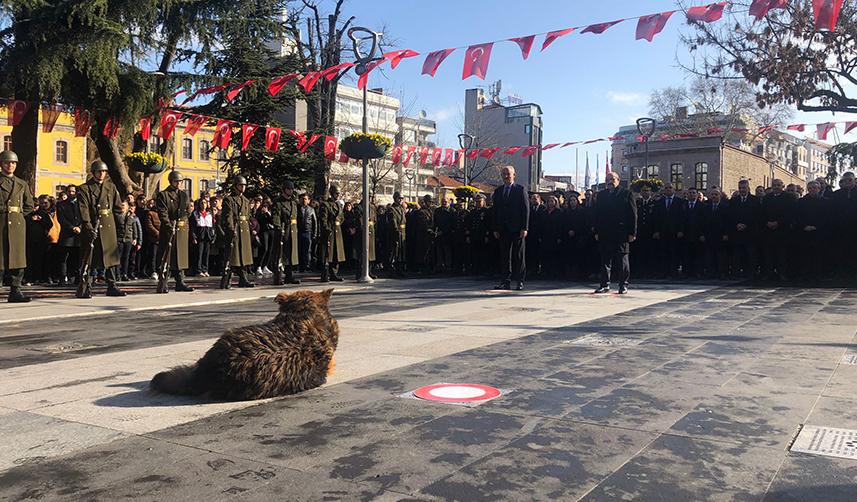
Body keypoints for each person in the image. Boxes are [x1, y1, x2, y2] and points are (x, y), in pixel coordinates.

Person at [76, 160, 125, 298]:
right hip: (93, 225)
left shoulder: (110, 187)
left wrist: (120, 226)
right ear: (93, 173)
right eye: (99, 171)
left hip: (108, 226)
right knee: (89, 259)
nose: (102, 174)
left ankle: (112, 285)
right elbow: (83, 209)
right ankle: (86, 287)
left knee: (111, 259)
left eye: (104, 171)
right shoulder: (84, 189)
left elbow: (117, 208)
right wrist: (88, 226)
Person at [593, 171, 637, 294]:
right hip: (605, 232)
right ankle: (604, 284)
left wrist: (632, 233)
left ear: (618, 180)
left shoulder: (626, 194)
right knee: (605, 260)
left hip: (621, 232)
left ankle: (623, 285)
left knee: (622, 259)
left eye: (612, 179)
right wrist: (596, 230)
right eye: (607, 179)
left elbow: (633, 215)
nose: (609, 182)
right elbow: (597, 214)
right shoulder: (601, 195)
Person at [0, 150, 34, 302]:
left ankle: (15, 290)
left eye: (13, 163)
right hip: (1, 221)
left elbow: (29, 205)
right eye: (7, 162)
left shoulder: (22, 183)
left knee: (18, 259)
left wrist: (19, 216)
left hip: (17, 225)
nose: (10, 165)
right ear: (1, 164)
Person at [155, 170, 194, 293]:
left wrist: (182, 220)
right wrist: (168, 224)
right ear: (171, 181)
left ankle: (180, 281)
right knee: (167, 257)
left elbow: (188, 210)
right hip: (169, 229)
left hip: (181, 229)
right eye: (176, 181)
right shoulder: (163, 195)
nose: (179, 183)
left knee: (181, 257)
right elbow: (163, 213)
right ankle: (164, 282)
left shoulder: (184, 195)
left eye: (180, 181)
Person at [491, 165, 529, 290]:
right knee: (505, 256)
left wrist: (524, 227)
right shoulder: (498, 191)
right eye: (504, 174)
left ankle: (520, 281)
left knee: (518, 256)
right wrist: (496, 228)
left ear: (514, 175)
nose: (506, 176)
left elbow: (525, 210)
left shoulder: (520, 190)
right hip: (503, 228)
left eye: (508, 174)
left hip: (517, 228)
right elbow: (495, 211)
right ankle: (505, 281)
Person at [219, 175, 255, 289]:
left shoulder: (246, 200)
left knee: (244, 255)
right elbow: (228, 216)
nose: (243, 187)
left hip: (244, 229)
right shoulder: (229, 199)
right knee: (232, 256)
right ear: (235, 186)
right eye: (240, 185)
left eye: (244, 185)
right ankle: (227, 278)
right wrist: (230, 229)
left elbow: (248, 216)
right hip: (234, 229)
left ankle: (243, 278)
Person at [760, 178, 795, 282]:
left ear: (782, 186)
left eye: (778, 185)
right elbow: (762, 213)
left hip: (782, 230)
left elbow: (790, 213)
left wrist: (778, 223)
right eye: (774, 185)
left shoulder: (789, 197)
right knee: (768, 254)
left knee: (782, 254)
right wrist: (767, 222)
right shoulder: (767, 198)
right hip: (768, 230)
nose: (776, 187)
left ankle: (782, 274)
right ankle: (769, 273)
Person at [728, 179, 761, 279]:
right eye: (740, 188)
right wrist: (737, 224)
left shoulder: (755, 200)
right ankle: (736, 273)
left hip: (750, 233)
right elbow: (730, 216)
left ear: (748, 188)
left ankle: (750, 273)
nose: (742, 190)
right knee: (737, 255)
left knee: (750, 255)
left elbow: (757, 216)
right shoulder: (734, 201)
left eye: (744, 188)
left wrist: (746, 225)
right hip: (737, 232)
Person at [271, 180, 301, 285]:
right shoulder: (278, 202)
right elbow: (275, 216)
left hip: (292, 230)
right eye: (289, 189)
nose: (291, 191)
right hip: (283, 231)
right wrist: (278, 228)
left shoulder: (293, 202)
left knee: (291, 254)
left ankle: (289, 276)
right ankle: (278, 276)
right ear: (284, 190)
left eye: (292, 189)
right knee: (280, 255)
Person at [653, 183, 686, 278]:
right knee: (663, 252)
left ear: (673, 190)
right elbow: (656, 218)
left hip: (675, 232)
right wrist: (656, 231)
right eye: (666, 188)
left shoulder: (679, 202)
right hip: (662, 232)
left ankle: (673, 272)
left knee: (674, 252)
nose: (668, 190)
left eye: (670, 188)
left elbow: (682, 218)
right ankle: (664, 271)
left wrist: (681, 230)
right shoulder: (659, 202)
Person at [318, 184, 345, 282]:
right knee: (327, 254)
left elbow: (341, 217)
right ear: (332, 193)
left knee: (336, 253)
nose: (338, 195)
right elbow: (323, 219)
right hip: (329, 231)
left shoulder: (338, 205)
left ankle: (334, 273)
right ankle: (325, 274)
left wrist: (338, 223)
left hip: (337, 230)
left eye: (339, 194)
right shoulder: (325, 204)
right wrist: (327, 229)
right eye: (336, 193)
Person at [55, 184, 82, 286]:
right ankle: (62, 278)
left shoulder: (80, 204)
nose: (71, 193)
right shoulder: (61, 204)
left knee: (77, 258)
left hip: (79, 235)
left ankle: (76, 277)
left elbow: (85, 218)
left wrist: (80, 227)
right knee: (63, 258)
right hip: (66, 235)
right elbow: (61, 219)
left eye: (73, 191)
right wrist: (72, 227)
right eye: (69, 191)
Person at [631, 183, 657, 278]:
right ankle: (639, 271)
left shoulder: (655, 203)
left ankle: (650, 271)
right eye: (643, 191)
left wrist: (656, 231)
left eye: (647, 190)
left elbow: (658, 218)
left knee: (650, 252)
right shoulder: (637, 202)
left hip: (651, 232)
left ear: (651, 192)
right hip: (640, 232)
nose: (645, 192)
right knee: (639, 252)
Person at [116, 200, 139, 282]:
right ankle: (117, 274)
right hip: (120, 239)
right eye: (121, 205)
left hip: (128, 239)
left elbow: (134, 228)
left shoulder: (131, 217)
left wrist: (135, 238)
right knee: (118, 257)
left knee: (126, 257)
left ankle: (124, 274)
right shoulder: (117, 216)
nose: (122, 207)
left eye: (124, 206)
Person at [192, 198, 214, 277]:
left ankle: (205, 269)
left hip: (207, 235)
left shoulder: (210, 213)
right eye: (202, 203)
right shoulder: (195, 213)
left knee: (206, 253)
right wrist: (193, 237)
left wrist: (212, 236)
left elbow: (212, 226)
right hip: (199, 235)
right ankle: (198, 270)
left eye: (205, 203)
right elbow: (193, 227)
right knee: (199, 254)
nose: (203, 204)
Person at [387, 192, 407, 277]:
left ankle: (399, 269)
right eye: (399, 198)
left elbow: (404, 221)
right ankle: (391, 270)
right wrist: (396, 231)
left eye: (402, 199)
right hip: (395, 233)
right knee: (394, 253)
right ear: (395, 198)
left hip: (402, 232)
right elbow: (393, 222)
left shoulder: (401, 209)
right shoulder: (392, 209)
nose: (400, 200)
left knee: (400, 253)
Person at [433, 197, 454, 273]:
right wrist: (434, 231)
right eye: (442, 201)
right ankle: (440, 266)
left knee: (447, 252)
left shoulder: (451, 211)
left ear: (448, 202)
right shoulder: (437, 210)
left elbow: (451, 224)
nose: (444, 203)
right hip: (438, 235)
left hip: (447, 235)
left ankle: (448, 266)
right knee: (439, 251)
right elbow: (435, 222)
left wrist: (443, 232)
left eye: (445, 201)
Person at [297, 192, 317, 273]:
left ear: (308, 200)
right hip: (298, 231)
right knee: (299, 249)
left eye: (305, 199)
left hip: (307, 231)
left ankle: (307, 265)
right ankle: (300, 266)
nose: (303, 201)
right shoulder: (297, 208)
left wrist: (315, 234)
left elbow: (315, 222)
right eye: (302, 199)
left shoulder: (311, 209)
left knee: (307, 250)